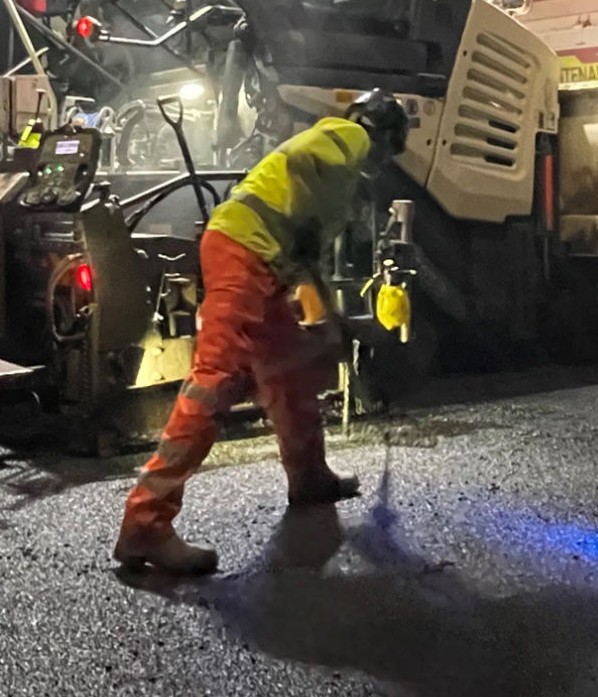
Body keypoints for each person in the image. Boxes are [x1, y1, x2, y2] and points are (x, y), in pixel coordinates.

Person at [113, 89, 412, 576]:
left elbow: (306, 250)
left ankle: (309, 476)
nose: (381, 163)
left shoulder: (334, 166)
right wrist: (312, 223)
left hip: (258, 258)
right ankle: (145, 522)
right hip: (244, 252)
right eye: (387, 152)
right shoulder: (348, 139)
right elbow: (305, 167)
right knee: (217, 381)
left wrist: (327, 317)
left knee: (289, 371)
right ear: (382, 137)